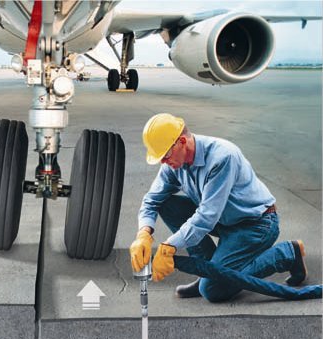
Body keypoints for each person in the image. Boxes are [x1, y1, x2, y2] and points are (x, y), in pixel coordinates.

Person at [130, 113, 308, 302]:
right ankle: (206, 270)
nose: (163, 163)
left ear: (182, 141)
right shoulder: (173, 163)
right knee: (166, 203)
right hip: (224, 220)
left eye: (165, 156)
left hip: (255, 225)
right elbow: (152, 200)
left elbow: (206, 217)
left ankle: (287, 253)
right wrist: (144, 234)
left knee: (213, 290)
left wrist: (169, 246)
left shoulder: (222, 157)